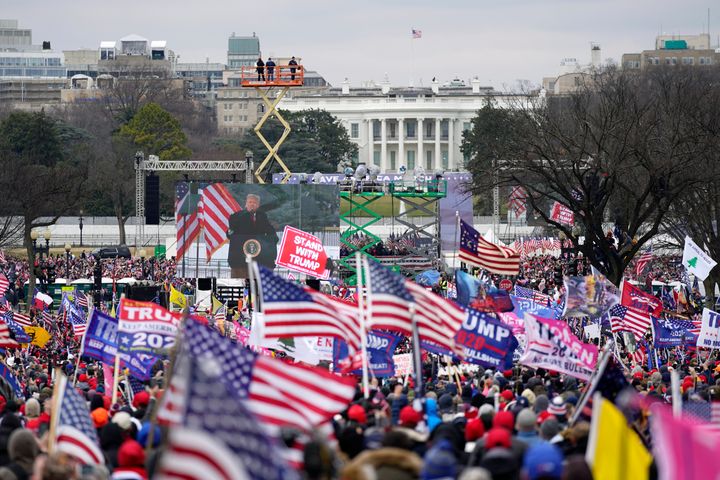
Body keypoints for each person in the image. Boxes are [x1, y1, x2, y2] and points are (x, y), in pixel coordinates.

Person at [227, 193, 278, 278]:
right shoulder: (236, 216)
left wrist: (273, 239)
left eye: (254, 202)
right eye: (250, 202)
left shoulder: (263, 217)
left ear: (258, 205)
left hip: (260, 261)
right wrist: (229, 232)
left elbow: (272, 234)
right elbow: (231, 234)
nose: (252, 204)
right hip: (240, 260)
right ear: (246, 204)